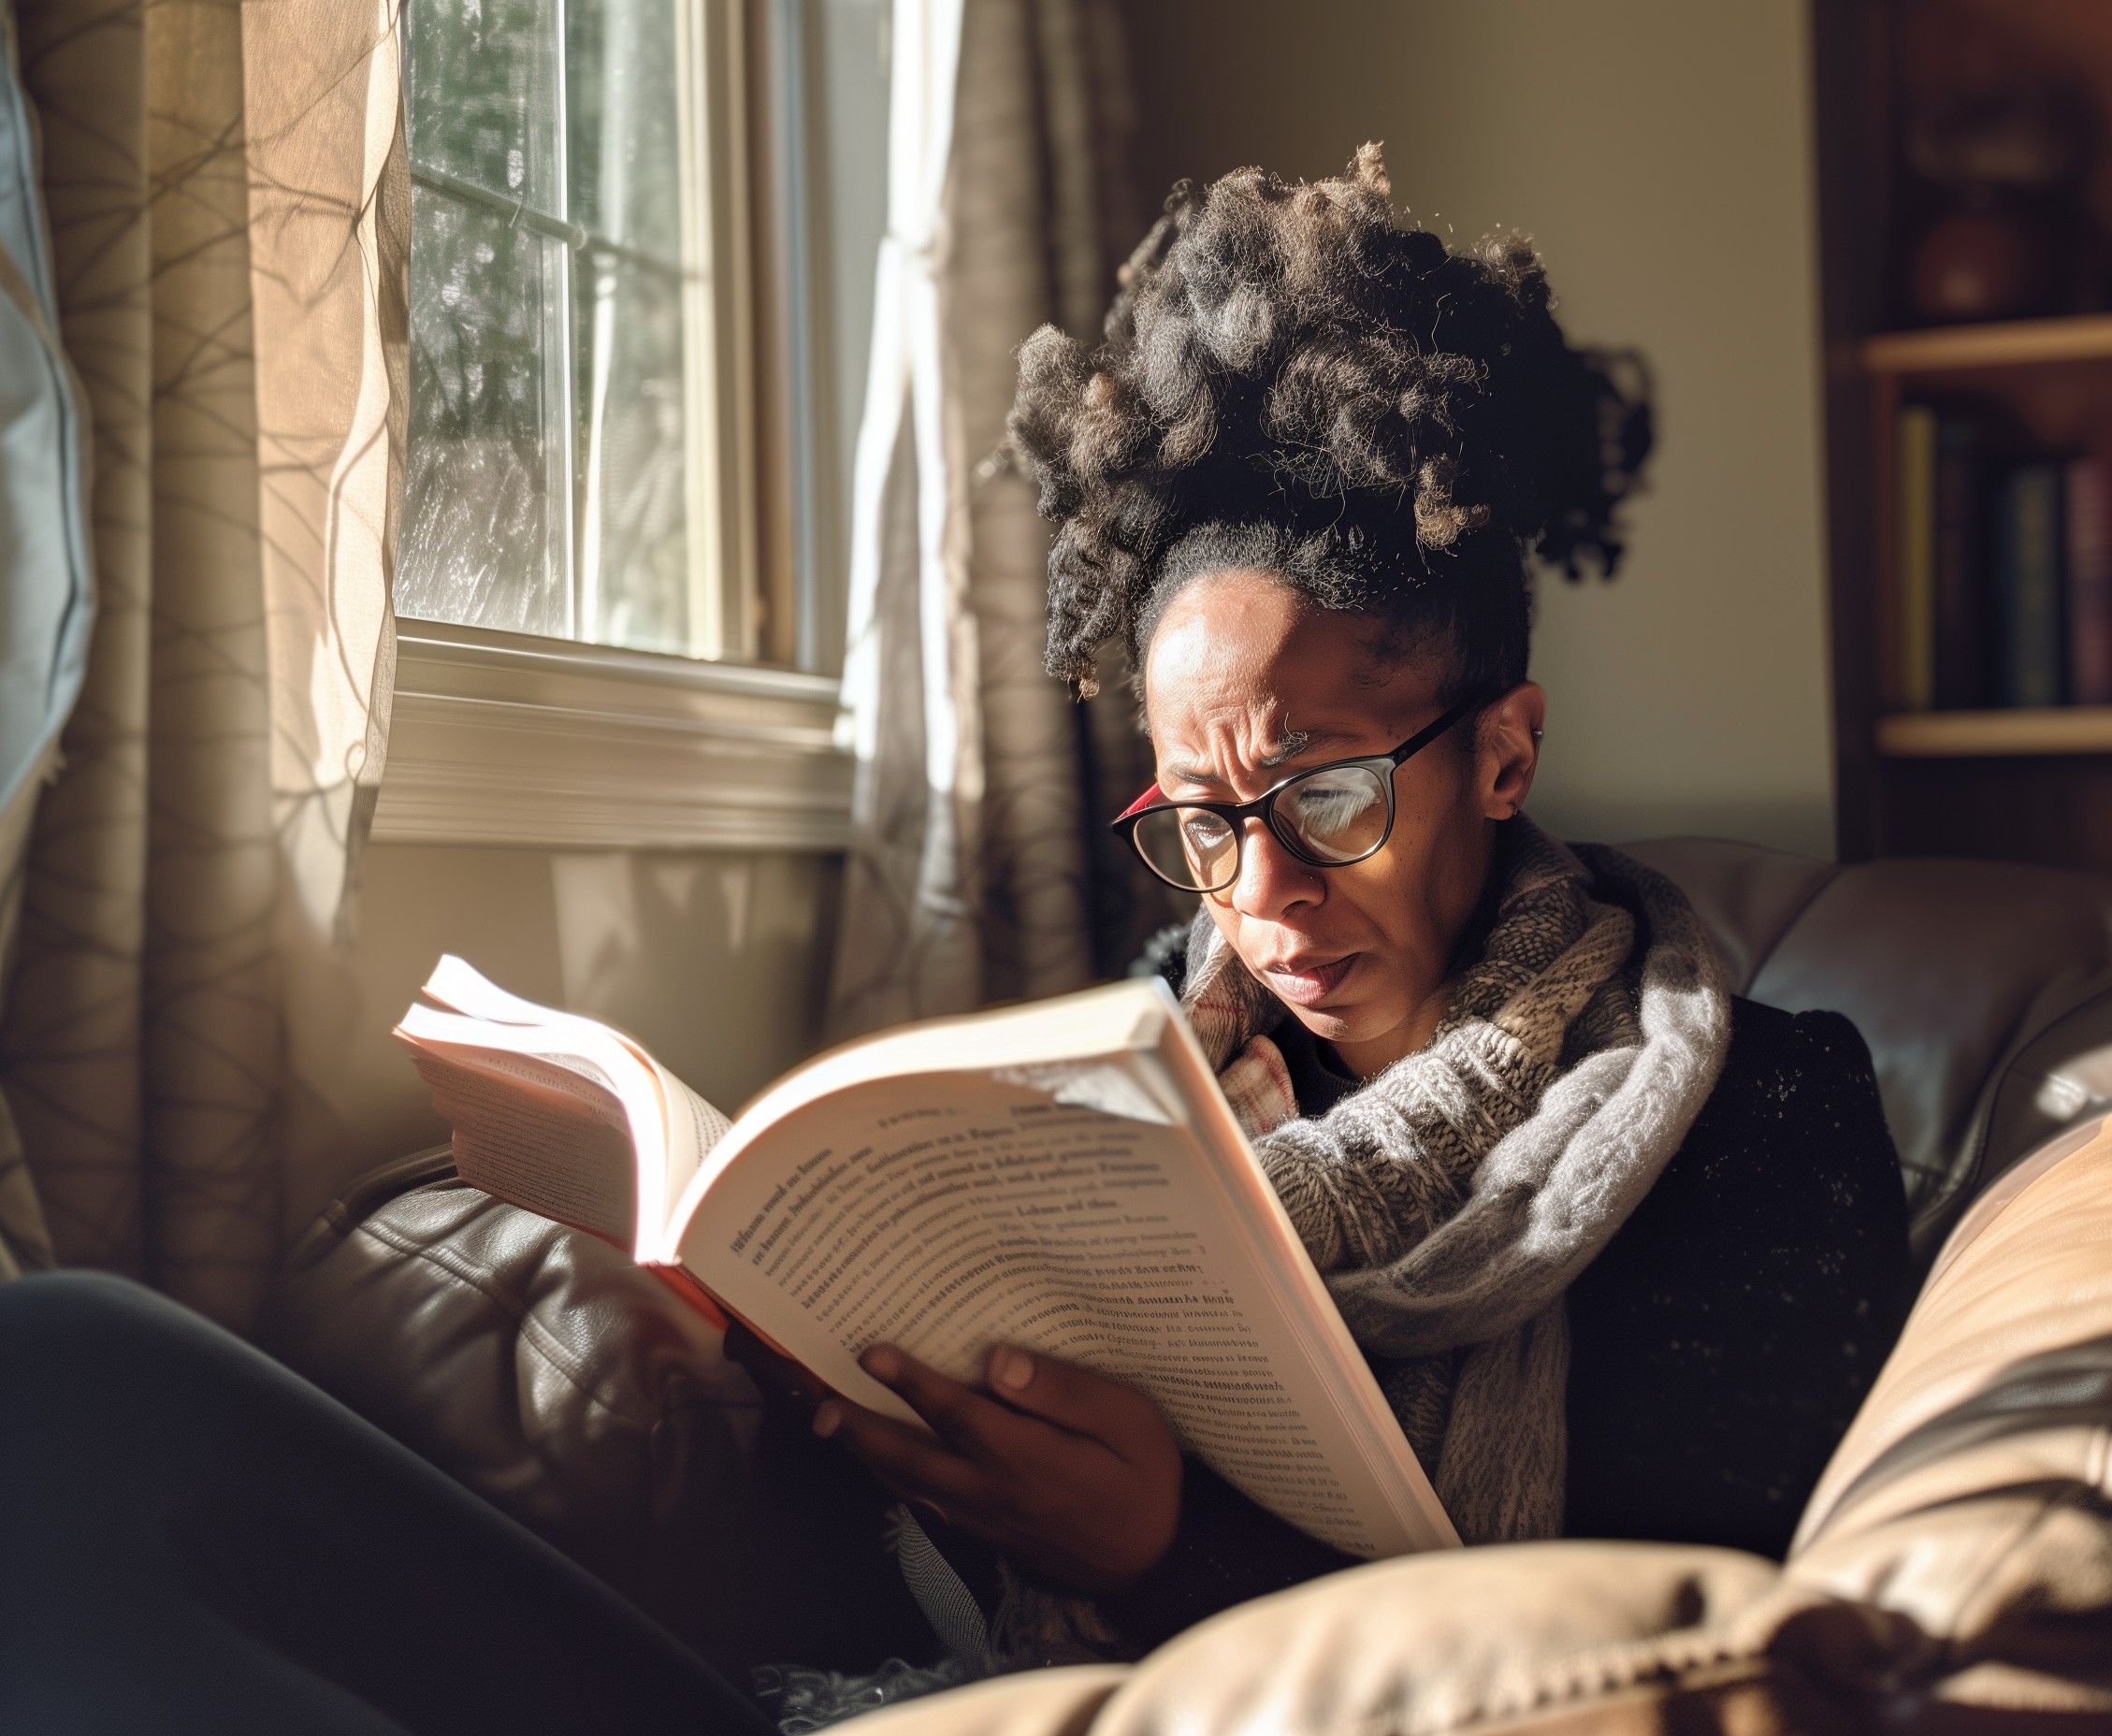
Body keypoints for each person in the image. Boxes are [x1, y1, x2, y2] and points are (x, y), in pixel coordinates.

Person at [0, 148, 1908, 1729]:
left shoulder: (1758, 1114)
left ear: (1501, 748)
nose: (1260, 887)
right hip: (873, 1694)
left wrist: (1169, 1552)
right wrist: (791, 1345)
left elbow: (1697, 1656)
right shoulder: (1137, 1083)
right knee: (72, 1371)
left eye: (1326, 794)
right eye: (1198, 819)